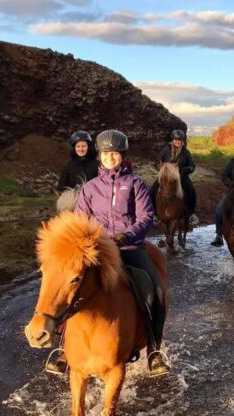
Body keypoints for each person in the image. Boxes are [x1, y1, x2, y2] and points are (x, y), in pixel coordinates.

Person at [74, 129, 171, 377]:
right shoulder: (90, 188)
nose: (111, 158)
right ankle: (63, 351)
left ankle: (154, 350)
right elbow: (80, 220)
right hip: (99, 252)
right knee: (70, 287)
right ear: (100, 156)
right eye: (106, 154)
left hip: (130, 248)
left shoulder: (136, 184)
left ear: (122, 155)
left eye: (115, 154)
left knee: (156, 292)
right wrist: (93, 241)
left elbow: (146, 217)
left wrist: (126, 236)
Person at [149, 129, 199, 226]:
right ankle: (154, 214)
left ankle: (191, 214)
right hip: (166, 177)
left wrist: (186, 170)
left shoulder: (186, 152)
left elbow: (192, 165)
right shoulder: (166, 150)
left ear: (182, 141)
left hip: (181, 176)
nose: (177, 142)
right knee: (151, 191)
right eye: (175, 139)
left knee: (191, 191)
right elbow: (157, 162)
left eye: (179, 140)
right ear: (172, 140)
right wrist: (161, 168)